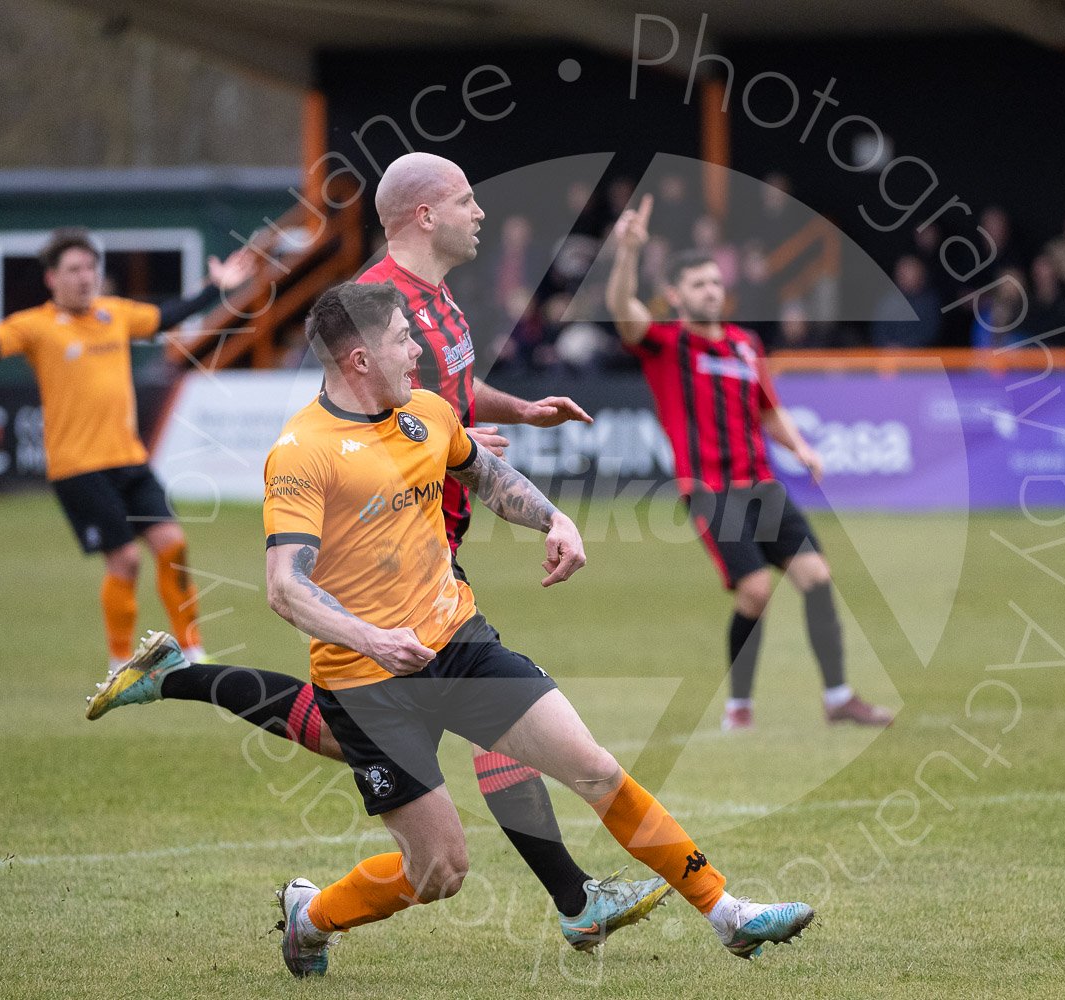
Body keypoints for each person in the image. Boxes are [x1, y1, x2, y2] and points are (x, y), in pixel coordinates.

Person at [121, 281, 816, 976]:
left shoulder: (424, 412)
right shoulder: (303, 451)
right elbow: (284, 587)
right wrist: (373, 639)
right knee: (439, 871)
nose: (417, 348)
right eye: (401, 338)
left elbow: (484, 474)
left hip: (459, 643)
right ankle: (311, 917)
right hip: (368, 682)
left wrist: (554, 519)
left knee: (595, 766)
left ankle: (727, 913)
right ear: (358, 359)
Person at [88, 152, 667, 949]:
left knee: (348, 727)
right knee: (486, 718)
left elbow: (445, 397)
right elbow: (354, 411)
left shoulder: (439, 299)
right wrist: (421, 449)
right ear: (425, 214)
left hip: (440, 532)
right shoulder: (374, 305)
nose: (481, 212)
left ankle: (180, 678)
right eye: (468, 199)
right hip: (395, 543)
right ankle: (575, 900)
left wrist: (518, 414)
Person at [0, 229, 258, 665]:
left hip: (129, 459)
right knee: (127, 560)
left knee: (172, 544)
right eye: (74, 269)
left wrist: (216, 286)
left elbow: (169, 315)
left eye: (91, 268)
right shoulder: (35, 325)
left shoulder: (114, 313)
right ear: (52, 279)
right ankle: (120, 663)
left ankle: (193, 651)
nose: (85, 277)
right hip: (78, 468)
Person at [606, 195, 894, 732]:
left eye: (715, 282)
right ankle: (739, 708)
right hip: (710, 488)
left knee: (817, 576)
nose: (711, 291)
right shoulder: (667, 343)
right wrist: (626, 255)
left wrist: (801, 448)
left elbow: (767, 409)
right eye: (698, 284)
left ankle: (838, 699)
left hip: (763, 485)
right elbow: (624, 311)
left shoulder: (745, 344)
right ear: (674, 295)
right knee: (756, 590)